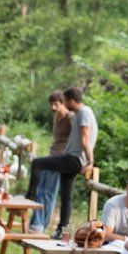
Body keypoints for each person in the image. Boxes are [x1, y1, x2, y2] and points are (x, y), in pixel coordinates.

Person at [24, 86, 97, 237]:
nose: (64, 104)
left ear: (71, 101)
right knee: (66, 196)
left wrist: (90, 161)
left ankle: (30, 196)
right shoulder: (79, 113)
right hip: (72, 156)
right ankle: (62, 230)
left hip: (74, 158)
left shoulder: (83, 112)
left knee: (37, 163)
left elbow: (85, 138)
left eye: (65, 101)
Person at [28, 91, 71, 232]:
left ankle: (38, 225)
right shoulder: (56, 116)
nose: (53, 107)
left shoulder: (70, 117)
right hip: (52, 155)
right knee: (43, 190)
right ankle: (38, 223)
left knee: (47, 191)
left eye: (56, 104)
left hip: (61, 157)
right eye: (51, 104)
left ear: (63, 103)